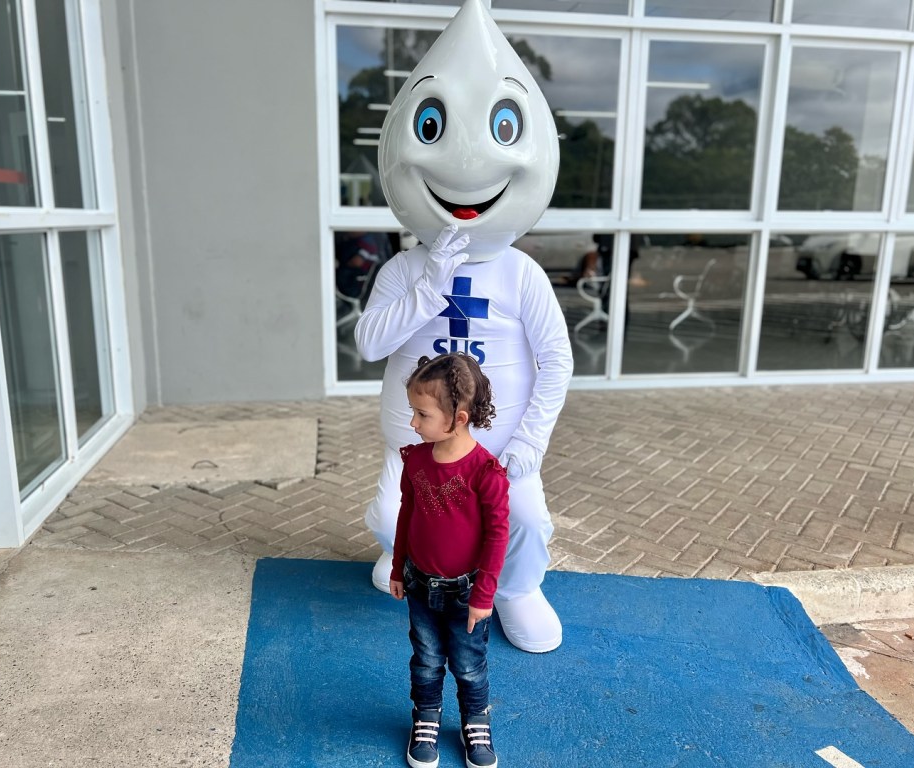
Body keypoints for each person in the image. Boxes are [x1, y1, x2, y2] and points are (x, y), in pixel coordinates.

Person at [357, 0, 573, 656]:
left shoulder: (521, 274)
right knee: (390, 513)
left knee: (524, 517)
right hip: (419, 453)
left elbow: (557, 359)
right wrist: (427, 286)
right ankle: (412, 558)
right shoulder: (402, 269)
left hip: (499, 455)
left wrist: (530, 440)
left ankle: (514, 588)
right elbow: (371, 343)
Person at [390, 353, 509, 768]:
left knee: (469, 664)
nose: (413, 422)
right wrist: (397, 567)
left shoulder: (486, 472)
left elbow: (497, 536)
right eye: (413, 411)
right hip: (420, 584)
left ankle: (475, 720)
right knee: (425, 660)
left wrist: (484, 595)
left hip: (467, 594)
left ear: (458, 418)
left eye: (422, 414)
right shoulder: (416, 460)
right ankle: (426, 717)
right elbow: (407, 514)